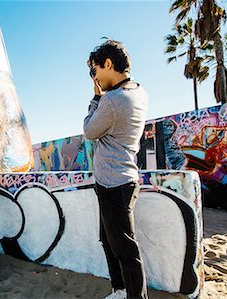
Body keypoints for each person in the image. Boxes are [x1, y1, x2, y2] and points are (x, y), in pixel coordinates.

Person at [83, 40, 149, 299]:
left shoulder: (112, 100)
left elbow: (89, 130)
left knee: (125, 250)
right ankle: (120, 291)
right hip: (122, 179)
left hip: (113, 183)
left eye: (95, 70)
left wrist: (95, 98)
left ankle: (132, 295)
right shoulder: (139, 92)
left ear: (108, 64)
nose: (95, 77)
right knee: (110, 242)